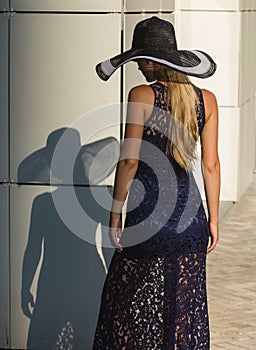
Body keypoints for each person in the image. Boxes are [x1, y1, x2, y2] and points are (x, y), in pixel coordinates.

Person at [93, 16, 220, 349]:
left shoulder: (141, 96)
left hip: (147, 220)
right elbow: (210, 164)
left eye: (140, 60)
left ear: (153, 60)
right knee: (180, 315)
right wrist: (214, 221)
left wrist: (115, 212)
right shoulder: (206, 99)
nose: (138, 68)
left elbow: (130, 161)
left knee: (119, 306)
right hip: (191, 221)